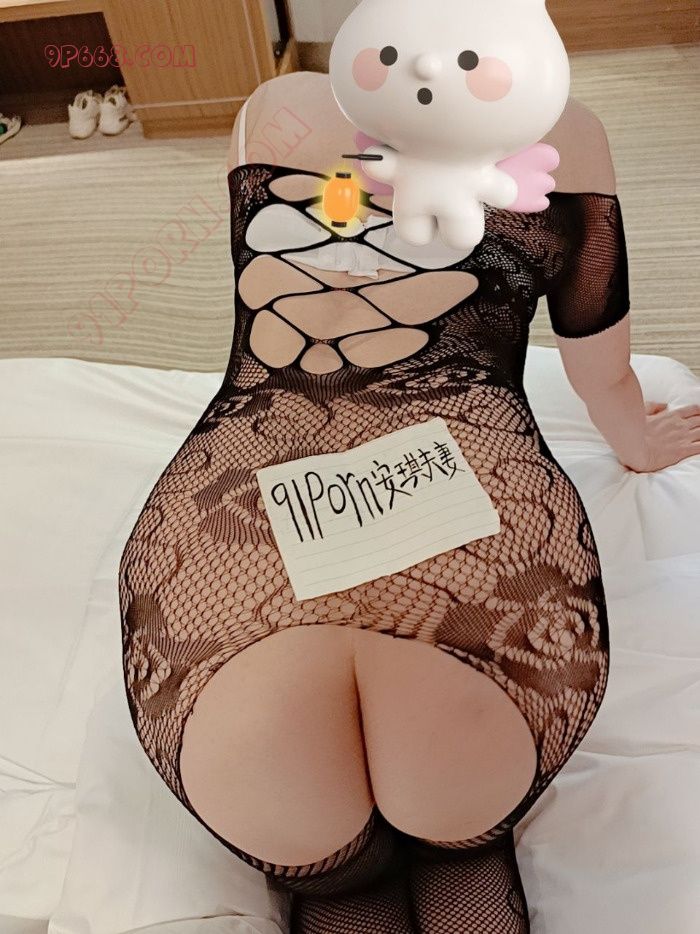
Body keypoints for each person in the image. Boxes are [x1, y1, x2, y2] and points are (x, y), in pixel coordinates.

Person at [118, 74, 700, 933]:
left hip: (238, 593)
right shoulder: (568, 132)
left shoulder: (276, 108)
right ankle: (460, 852)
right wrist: (638, 444)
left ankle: (343, 883)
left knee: (336, 879)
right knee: (460, 844)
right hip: (477, 603)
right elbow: (599, 367)